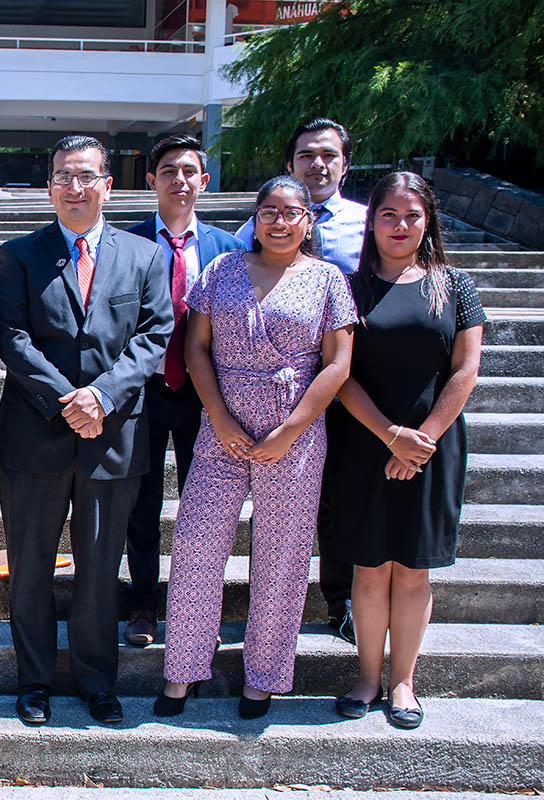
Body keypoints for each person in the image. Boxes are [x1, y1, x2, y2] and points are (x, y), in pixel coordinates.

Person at [156, 176, 355, 720]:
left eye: (292, 212)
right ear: (256, 218)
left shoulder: (328, 279)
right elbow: (195, 347)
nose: (280, 222)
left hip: (296, 431)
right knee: (196, 546)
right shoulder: (221, 271)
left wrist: (290, 430)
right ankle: (182, 668)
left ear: (308, 221)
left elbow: (338, 363)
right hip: (222, 426)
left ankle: (263, 676)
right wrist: (218, 416)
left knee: (281, 557)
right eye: (269, 211)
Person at [0, 135, 173, 726]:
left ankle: (97, 680)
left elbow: (154, 336)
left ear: (108, 184)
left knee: (99, 569)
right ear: (49, 186)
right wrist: (65, 399)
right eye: (64, 176)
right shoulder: (20, 254)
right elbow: (12, 339)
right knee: (30, 563)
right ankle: (34, 680)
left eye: (87, 176)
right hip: (35, 434)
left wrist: (100, 396)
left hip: (111, 436)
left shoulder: (145, 256)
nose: (76, 187)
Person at [327, 172, 484, 729]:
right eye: (388, 214)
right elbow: (338, 374)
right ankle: (367, 677)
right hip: (364, 442)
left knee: (414, 570)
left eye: (411, 215)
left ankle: (403, 684)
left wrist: (422, 440)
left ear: (428, 222)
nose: (400, 225)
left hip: (433, 446)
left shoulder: (455, 285)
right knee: (368, 569)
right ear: (371, 221)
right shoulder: (348, 286)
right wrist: (390, 435)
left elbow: (465, 370)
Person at [235, 117, 367, 644]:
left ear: (345, 163)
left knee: (343, 496)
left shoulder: (367, 223)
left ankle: (342, 600)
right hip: (276, 387)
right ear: (290, 163)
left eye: (330, 155)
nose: (319, 163)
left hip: (352, 376)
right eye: (308, 155)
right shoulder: (256, 229)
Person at [121, 134, 244, 647]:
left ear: (204, 181)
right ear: (152, 181)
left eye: (189, 171)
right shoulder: (125, 243)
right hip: (143, 392)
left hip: (207, 396)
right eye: (168, 171)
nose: (180, 180)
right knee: (140, 505)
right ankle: (145, 603)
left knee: (207, 507)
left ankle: (198, 606)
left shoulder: (230, 250)